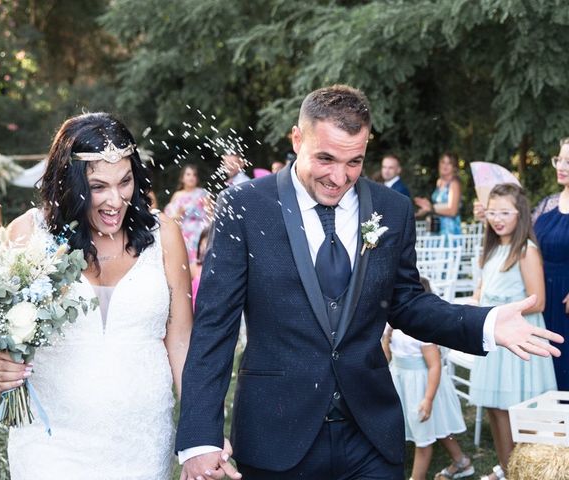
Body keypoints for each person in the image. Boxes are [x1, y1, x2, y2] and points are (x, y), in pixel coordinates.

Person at [176, 85, 562, 480]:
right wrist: (199, 437)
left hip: (370, 435)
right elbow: (214, 326)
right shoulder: (244, 206)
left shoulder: (392, 208)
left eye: (354, 162)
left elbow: (408, 303)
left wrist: (485, 322)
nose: (339, 177)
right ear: (297, 139)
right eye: (325, 158)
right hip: (277, 433)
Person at [0, 113, 198, 479]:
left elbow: (181, 342)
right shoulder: (27, 234)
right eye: (98, 187)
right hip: (49, 442)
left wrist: (199, 430)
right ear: (69, 183)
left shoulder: (165, 236)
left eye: (125, 181)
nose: (116, 200)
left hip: (141, 442)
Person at [469, 183, 557, 480]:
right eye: (492, 212)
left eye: (505, 212)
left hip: (519, 335)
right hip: (495, 335)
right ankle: (506, 467)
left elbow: (539, 300)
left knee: (516, 410)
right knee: (495, 407)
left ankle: (521, 470)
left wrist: (500, 308)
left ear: (520, 213)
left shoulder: (525, 250)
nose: (497, 219)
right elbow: (484, 288)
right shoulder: (493, 248)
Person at [384, 279, 473, 480]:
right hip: (402, 383)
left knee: (423, 438)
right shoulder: (394, 326)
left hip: (422, 387)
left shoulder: (422, 332)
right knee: (436, 428)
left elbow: (434, 366)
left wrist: (428, 399)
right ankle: (462, 463)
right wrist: (386, 339)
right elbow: (386, 356)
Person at [532, 137, 569, 390]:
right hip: (542, 291)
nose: (561, 165)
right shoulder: (547, 204)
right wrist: (489, 215)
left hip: (566, 296)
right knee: (544, 359)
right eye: (560, 159)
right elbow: (525, 239)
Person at [164, 164, 212, 264]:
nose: (191, 177)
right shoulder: (177, 195)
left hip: (199, 233)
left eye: (194, 175)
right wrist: (179, 213)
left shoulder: (203, 193)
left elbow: (210, 214)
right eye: (188, 174)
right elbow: (170, 218)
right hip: (183, 233)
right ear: (182, 178)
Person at [414, 152, 462, 236]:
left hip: (449, 229)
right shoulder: (439, 182)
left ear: (454, 167)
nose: (445, 166)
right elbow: (438, 206)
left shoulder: (454, 184)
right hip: (436, 225)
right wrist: (425, 208)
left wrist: (431, 208)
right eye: (443, 162)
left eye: (449, 163)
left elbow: (453, 211)